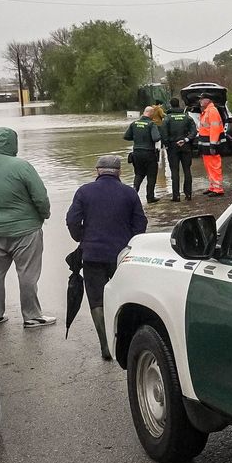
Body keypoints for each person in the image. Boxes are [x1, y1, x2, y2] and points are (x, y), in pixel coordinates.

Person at [0, 127, 55, 327]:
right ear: (12, 143)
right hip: (26, 230)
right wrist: (44, 216)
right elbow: (40, 197)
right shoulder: (22, 166)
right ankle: (31, 316)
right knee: (27, 273)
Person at [66, 154, 147, 360]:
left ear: (97, 171)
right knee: (125, 296)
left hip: (92, 255)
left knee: (96, 300)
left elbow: (72, 220)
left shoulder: (84, 192)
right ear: (119, 172)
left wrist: (82, 237)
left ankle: (105, 345)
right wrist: (130, 244)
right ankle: (125, 341)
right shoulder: (129, 193)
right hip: (122, 256)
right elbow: (140, 224)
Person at [124, 106, 162, 203]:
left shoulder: (134, 123)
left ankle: (133, 195)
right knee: (151, 176)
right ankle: (150, 197)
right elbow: (156, 138)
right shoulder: (151, 124)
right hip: (149, 153)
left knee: (139, 174)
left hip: (136, 153)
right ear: (151, 113)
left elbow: (126, 136)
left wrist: (137, 138)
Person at [162, 97, 195, 202]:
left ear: (170, 105)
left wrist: (167, 145)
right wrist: (186, 140)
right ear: (179, 105)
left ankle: (176, 196)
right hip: (185, 146)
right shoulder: (187, 117)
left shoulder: (167, 118)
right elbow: (194, 132)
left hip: (172, 147)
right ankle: (188, 194)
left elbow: (163, 133)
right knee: (187, 170)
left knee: (174, 171)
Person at [197, 95, 225, 197]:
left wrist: (213, 145)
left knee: (214, 166)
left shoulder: (212, 111)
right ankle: (213, 186)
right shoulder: (206, 111)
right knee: (209, 167)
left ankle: (218, 189)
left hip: (211, 145)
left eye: (201, 99)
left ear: (207, 100)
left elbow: (215, 129)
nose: (200, 101)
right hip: (206, 145)